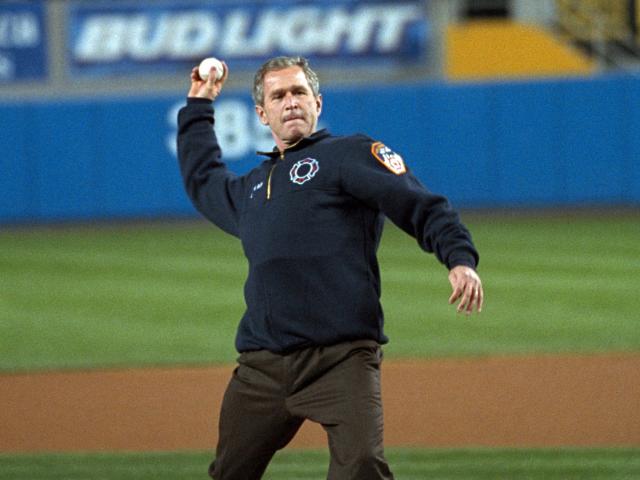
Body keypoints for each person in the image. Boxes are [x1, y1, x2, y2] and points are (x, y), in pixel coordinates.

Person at [176, 56, 483, 480]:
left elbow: (421, 205)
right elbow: (204, 178)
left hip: (340, 360)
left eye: (300, 92)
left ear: (318, 103)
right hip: (262, 366)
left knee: (361, 466)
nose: (291, 102)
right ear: (262, 115)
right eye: (278, 96)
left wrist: (459, 258)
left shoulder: (347, 155)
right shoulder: (252, 189)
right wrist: (198, 104)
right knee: (229, 473)